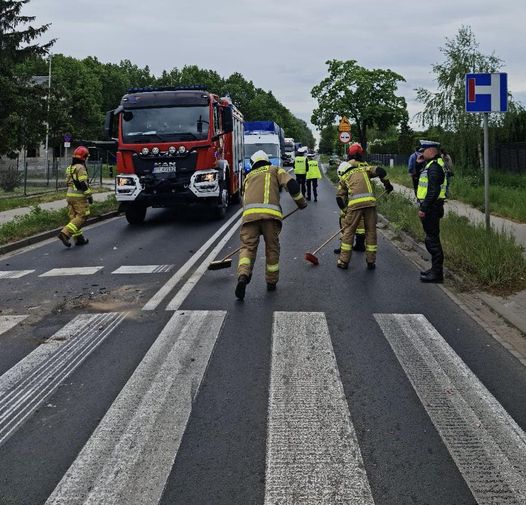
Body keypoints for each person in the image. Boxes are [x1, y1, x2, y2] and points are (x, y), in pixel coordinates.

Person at [235, 150, 307, 300]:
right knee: (272, 248)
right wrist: (301, 202)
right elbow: (292, 184)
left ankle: (243, 275)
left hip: (250, 218)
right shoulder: (274, 170)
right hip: (270, 217)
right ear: (267, 160)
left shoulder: (248, 177)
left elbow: (243, 199)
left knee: (247, 248)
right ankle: (271, 282)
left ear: (253, 163)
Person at [336, 143, 393, 270]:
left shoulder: (344, 176)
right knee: (371, 232)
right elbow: (381, 171)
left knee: (349, 232)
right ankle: (371, 261)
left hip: (354, 205)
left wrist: (345, 211)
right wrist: (388, 185)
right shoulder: (365, 169)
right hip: (370, 204)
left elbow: (339, 198)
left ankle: (343, 261)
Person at [417, 141, 448, 283]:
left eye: (423, 151)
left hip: (431, 208)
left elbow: (433, 190)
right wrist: (419, 164)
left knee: (432, 241)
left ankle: (437, 274)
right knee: (431, 238)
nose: (421, 153)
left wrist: (424, 208)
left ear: (431, 150)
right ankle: (434, 270)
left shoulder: (435, 167)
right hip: (432, 207)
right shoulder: (432, 165)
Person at [57, 146, 93, 247]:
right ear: (84, 157)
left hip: (69, 195)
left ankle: (79, 239)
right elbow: (83, 184)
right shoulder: (81, 168)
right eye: (86, 157)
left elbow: (67, 182)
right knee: (83, 216)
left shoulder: (70, 167)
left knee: (74, 217)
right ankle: (65, 233)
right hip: (79, 197)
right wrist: (89, 196)